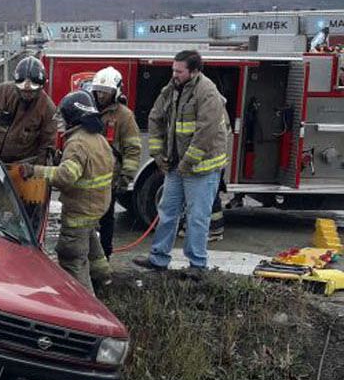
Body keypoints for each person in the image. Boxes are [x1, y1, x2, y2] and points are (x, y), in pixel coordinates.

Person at [133, 50, 231, 273]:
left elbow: (205, 133)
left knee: (197, 217)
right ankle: (158, 258)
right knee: (167, 211)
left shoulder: (207, 93)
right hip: (176, 166)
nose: (174, 74)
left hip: (201, 169)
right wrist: (158, 154)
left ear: (194, 71)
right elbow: (155, 117)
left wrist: (187, 162)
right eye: (173, 69)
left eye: (179, 70)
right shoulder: (171, 89)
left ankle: (197, 265)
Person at [20, 90, 114, 295]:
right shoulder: (97, 138)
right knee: (92, 245)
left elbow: (66, 176)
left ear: (74, 116)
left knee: (72, 257)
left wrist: (34, 171)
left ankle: (86, 307)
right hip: (96, 207)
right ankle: (104, 279)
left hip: (79, 210)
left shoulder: (77, 143)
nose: (60, 121)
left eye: (63, 116)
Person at [91, 66, 141, 259]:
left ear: (116, 91)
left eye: (106, 92)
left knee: (106, 220)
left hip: (109, 179)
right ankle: (87, 255)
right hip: (87, 176)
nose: (101, 95)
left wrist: (126, 177)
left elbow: (133, 148)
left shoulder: (124, 116)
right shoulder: (88, 108)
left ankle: (104, 255)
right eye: (99, 91)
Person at [0, 56, 57, 164]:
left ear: (41, 87)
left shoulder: (48, 108)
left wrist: (34, 170)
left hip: (23, 166)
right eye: (23, 91)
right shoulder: (2, 92)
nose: (27, 95)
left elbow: (47, 144)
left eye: (31, 92)